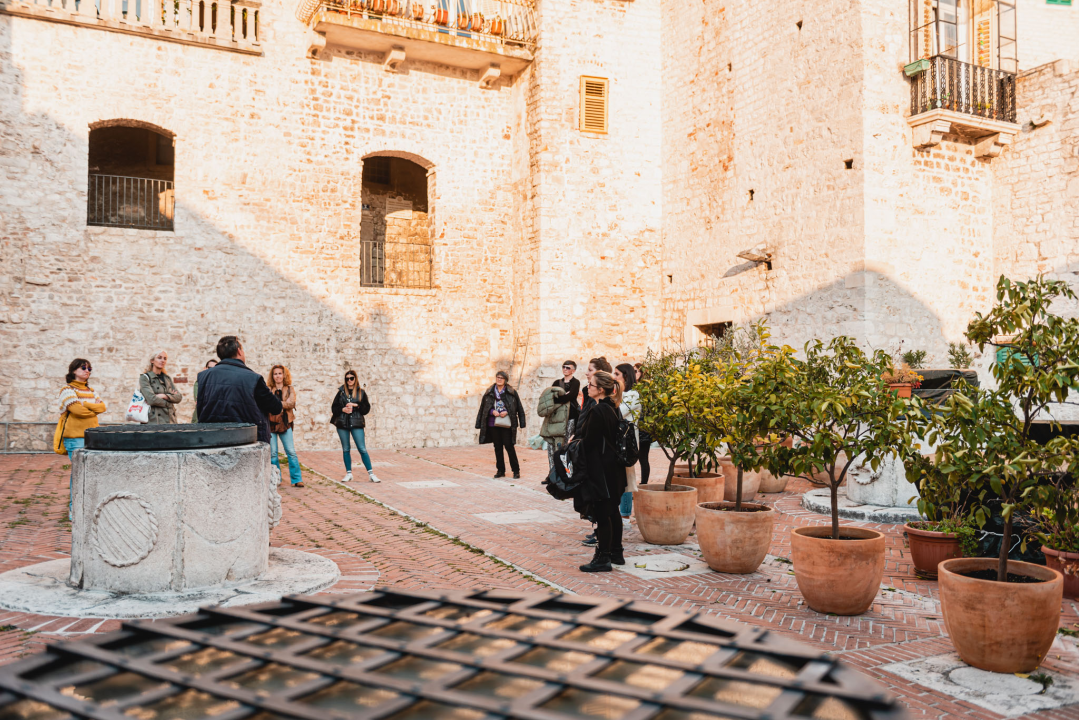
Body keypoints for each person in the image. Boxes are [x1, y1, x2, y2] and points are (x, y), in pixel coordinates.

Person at [575, 370, 626, 572]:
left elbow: (590, 443)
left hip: (602, 469)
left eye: (592, 385)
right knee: (613, 510)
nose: (588, 388)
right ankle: (616, 552)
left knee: (603, 512)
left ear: (601, 389)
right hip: (613, 467)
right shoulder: (613, 407)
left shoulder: (598, 411)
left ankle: (603, 558)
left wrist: (576, 445)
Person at [195, 336, 282, 444]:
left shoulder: (203, 376)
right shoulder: (253, 378)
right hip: (247, 442)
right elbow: (276, 407)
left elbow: (200, 409)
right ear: (239, 351)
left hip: (211, 441)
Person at [475, 370, 526, 479]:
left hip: (506, 423)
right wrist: (492, 412)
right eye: (497, 377)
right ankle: (500, 470)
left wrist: (507, 412)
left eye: (501, 378)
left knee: (509, 446)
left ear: (505, 380)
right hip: (493, 423)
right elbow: (483, 407)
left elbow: (518, 407)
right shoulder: (489, 391)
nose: (499, 379)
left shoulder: (511, 392)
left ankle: (516, 470)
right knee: (497, 447)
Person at [331, 371, 380, 483]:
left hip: (356, 423)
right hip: (342, 424)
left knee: (362, 449)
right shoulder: (341, 393)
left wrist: (356, 405)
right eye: (347, 378)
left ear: (355, 379)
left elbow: (366, 409)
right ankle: (349, 473)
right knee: (346, 449)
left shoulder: (361, 393)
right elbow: (334, 408)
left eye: (351, 378)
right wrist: (343, 409)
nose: (349, 381)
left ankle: (371, 473)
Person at [267, 364, 303, 488]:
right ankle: (276, 479)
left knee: (291, 452)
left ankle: (297, 479)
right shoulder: (268, 389)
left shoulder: (290, 389)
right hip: (271, 424)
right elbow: (266, 405)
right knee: (273, 453)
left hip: (285, 423)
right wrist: (283, 403)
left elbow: (292, 403)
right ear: (273, 376)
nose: (278, 376)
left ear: (284, 375)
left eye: (280, 373)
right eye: (275, 374)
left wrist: (275, 404)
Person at [614, 363, 640, 525]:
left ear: (625, 376)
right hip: (616, 440)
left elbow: (619, 412)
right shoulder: (621, 394)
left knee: (628, 478)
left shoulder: (633, 395)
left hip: (627, 442)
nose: (614, 376)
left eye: (617, 374)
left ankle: (625, 515)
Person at [140, 351, 183, 425]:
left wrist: (164, 396)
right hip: (153, 421)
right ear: (152, 361)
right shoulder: (145, 378)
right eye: (159, 358)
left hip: (170, 420)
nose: (162, 360)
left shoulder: (167, 378)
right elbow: (152, 399)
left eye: (165, 358)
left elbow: (179, 397)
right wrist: (170, 402)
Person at [635, 363, 652, 485]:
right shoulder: (631, 387)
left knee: (643, 458)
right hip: (635, 427)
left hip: (643, 428)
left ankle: (644, 483)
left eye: (636, 371)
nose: (633, 373)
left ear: (642, 373)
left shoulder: (646, 388)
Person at [551, 360, 581, 427]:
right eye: (563, 367)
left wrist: (560, 396)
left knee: (569, 434)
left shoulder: (575, 382)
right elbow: (552, 397)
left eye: (568, 368)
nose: (565, 369)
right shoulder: (556, 382)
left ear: (573, 371)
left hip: (571, 413)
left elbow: (570, 397)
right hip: (558, 412)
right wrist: (565, 395)